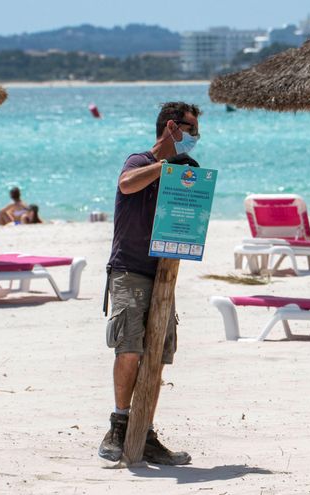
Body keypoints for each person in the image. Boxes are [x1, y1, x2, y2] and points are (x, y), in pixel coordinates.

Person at [98, 102, 201, 465]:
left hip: (164, 273)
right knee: (129, 346)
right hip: (129, 268)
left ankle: (146, 430)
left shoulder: (177, 170)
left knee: (157, 353)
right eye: (191, 131)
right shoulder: (139, 161)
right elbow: (126, 185)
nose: (194, 139)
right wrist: (165, 167)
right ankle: (120, 423)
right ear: (172, 127)